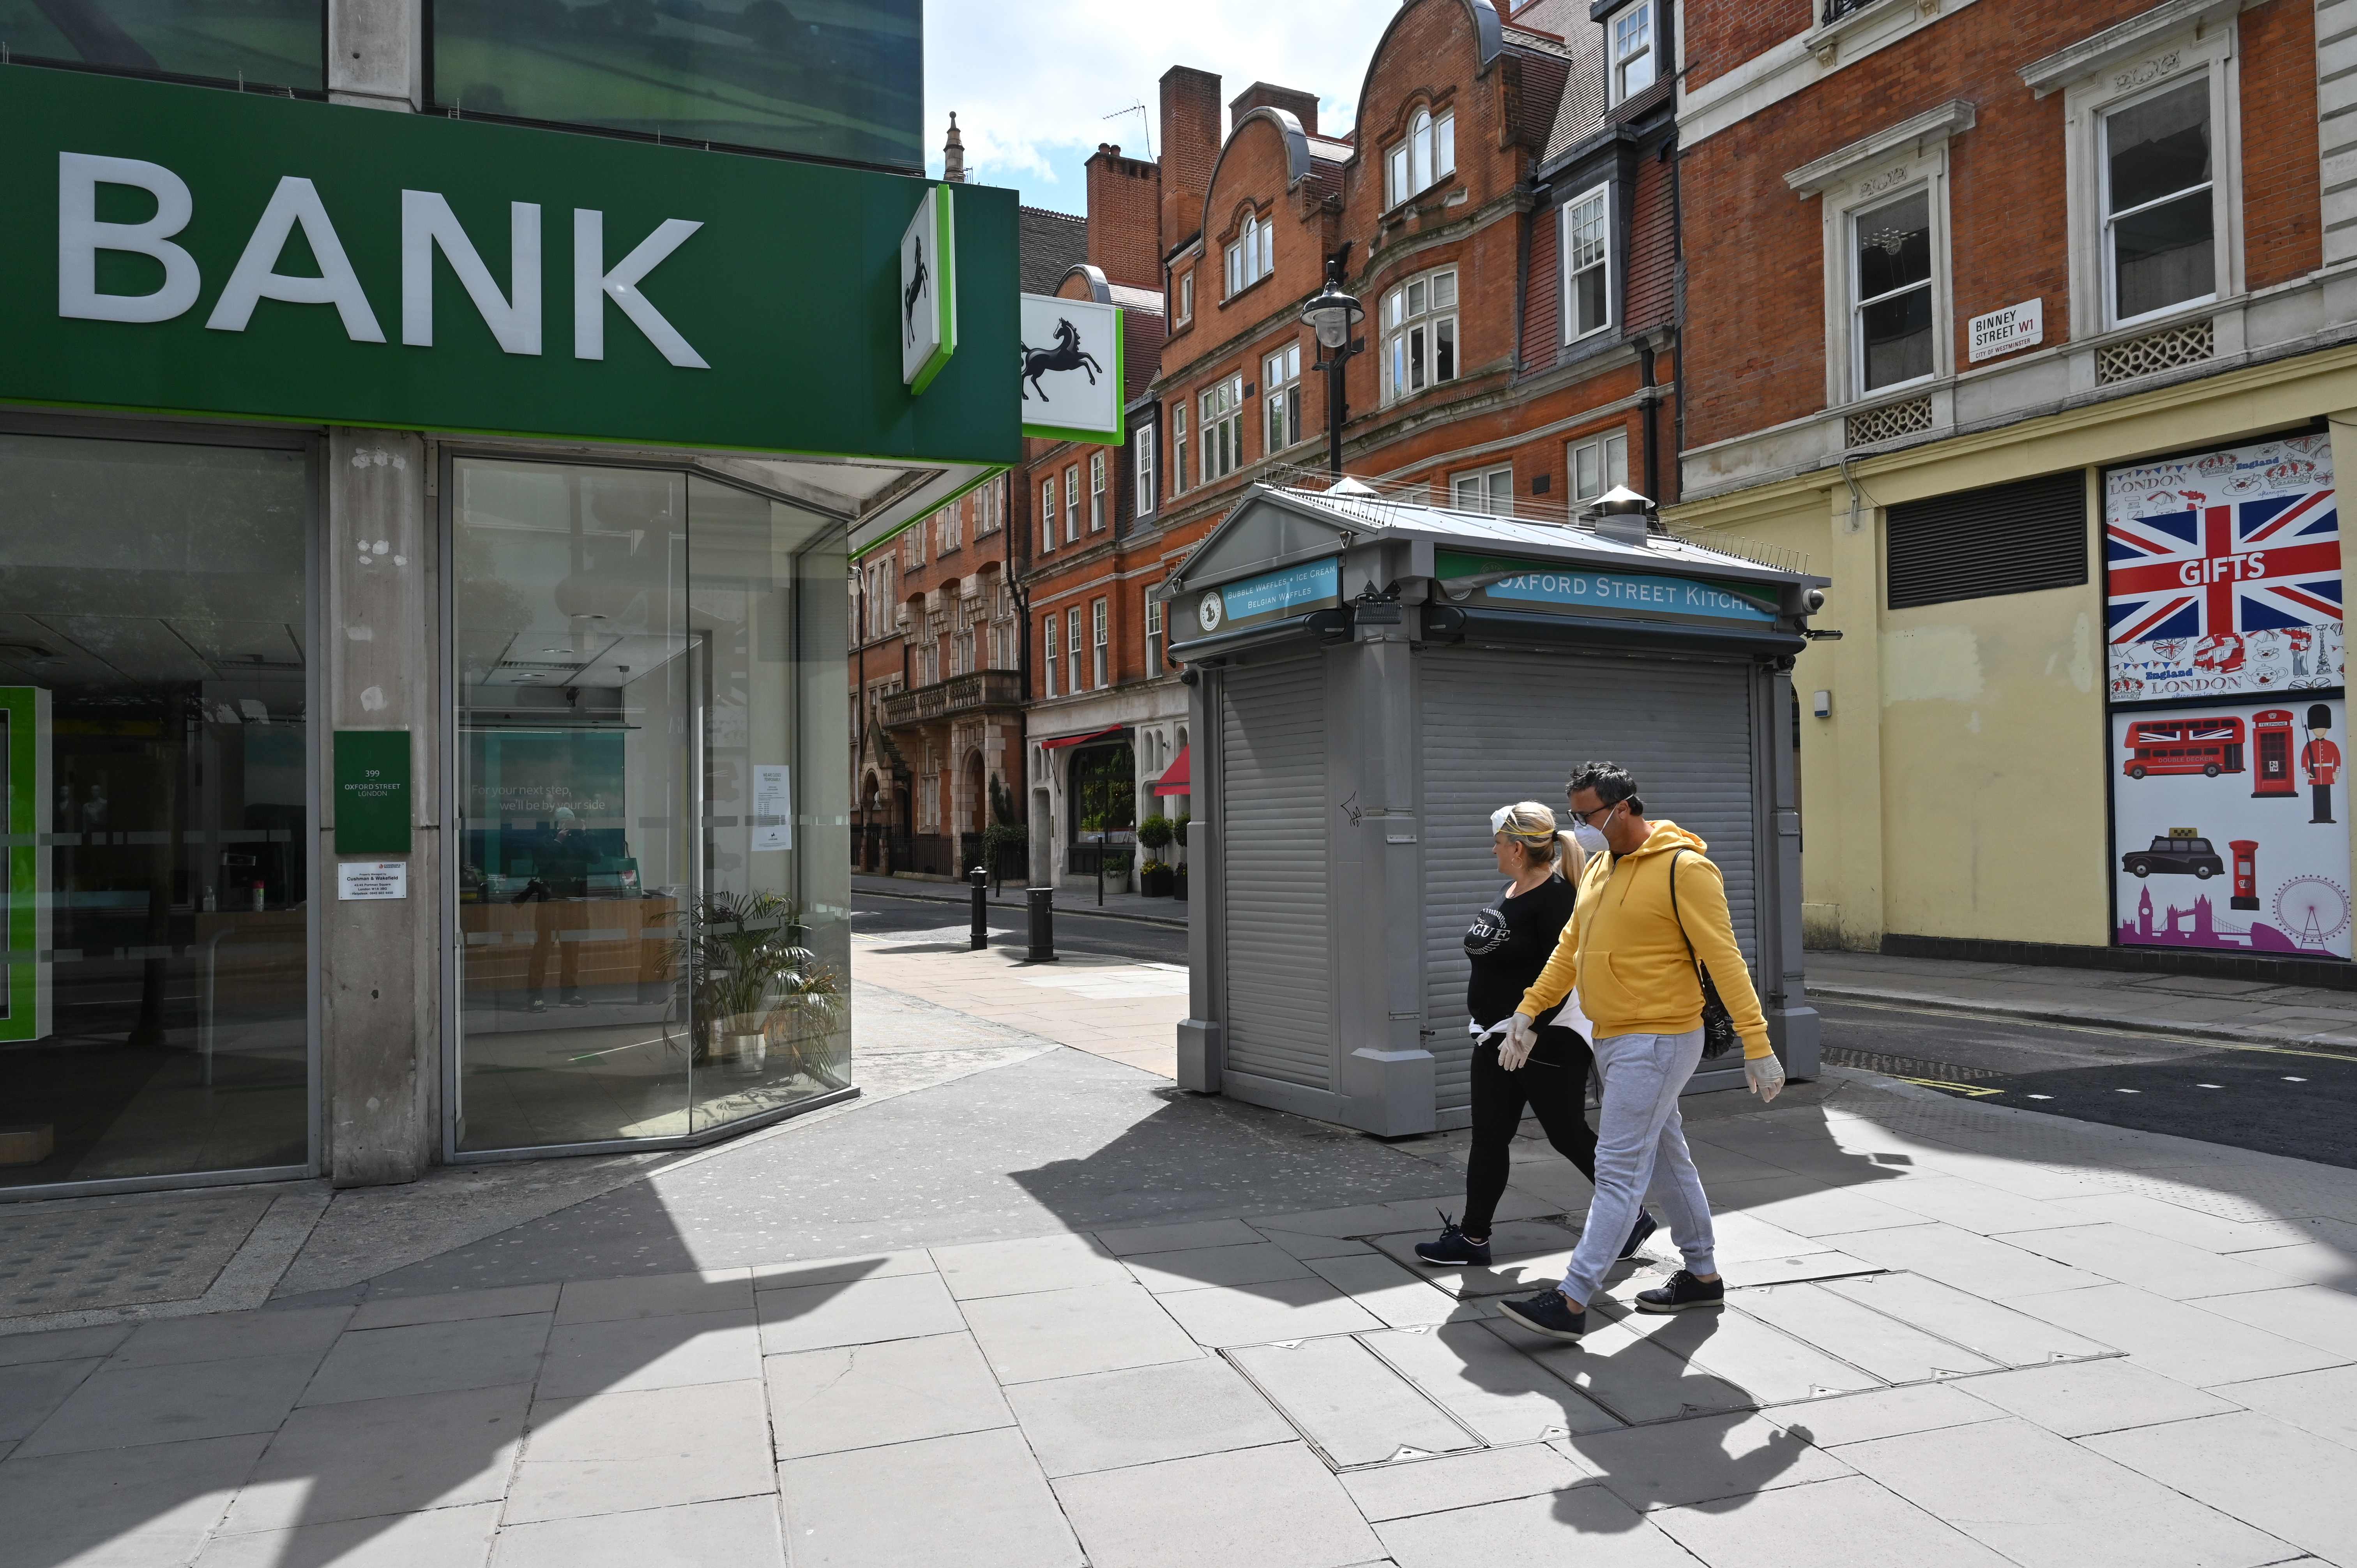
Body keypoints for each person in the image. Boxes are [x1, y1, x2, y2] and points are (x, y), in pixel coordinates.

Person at [1495, 761, 1785, 1343]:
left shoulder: (1686, 869)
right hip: (1616, 1036)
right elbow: (1569, 951)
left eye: (1588, 815)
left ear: (1624, 807)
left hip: (1659, 1037)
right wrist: (1528, 1012)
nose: (1579, 827)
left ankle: (1574, 1299)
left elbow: (1726, 960)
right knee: (1667, 1154)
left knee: (1619, 1167)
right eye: (1574, 815)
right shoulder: (1602, 867)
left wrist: (1759, 1044)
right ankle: (1701, 1275)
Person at [1412, 803, 1657, 1270]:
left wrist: (1529, 1029)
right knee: (1488, 1137)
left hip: (1544, 1041)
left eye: (1499, 843)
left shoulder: (1558, 900)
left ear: (1519, 849)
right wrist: (1493, 1026)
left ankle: (1631, 1216)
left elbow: (1567, 973)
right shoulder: (1514, 890)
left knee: (1567, 1135)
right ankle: (1473, 1237)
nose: (1494, 849)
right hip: (1496, 1039)